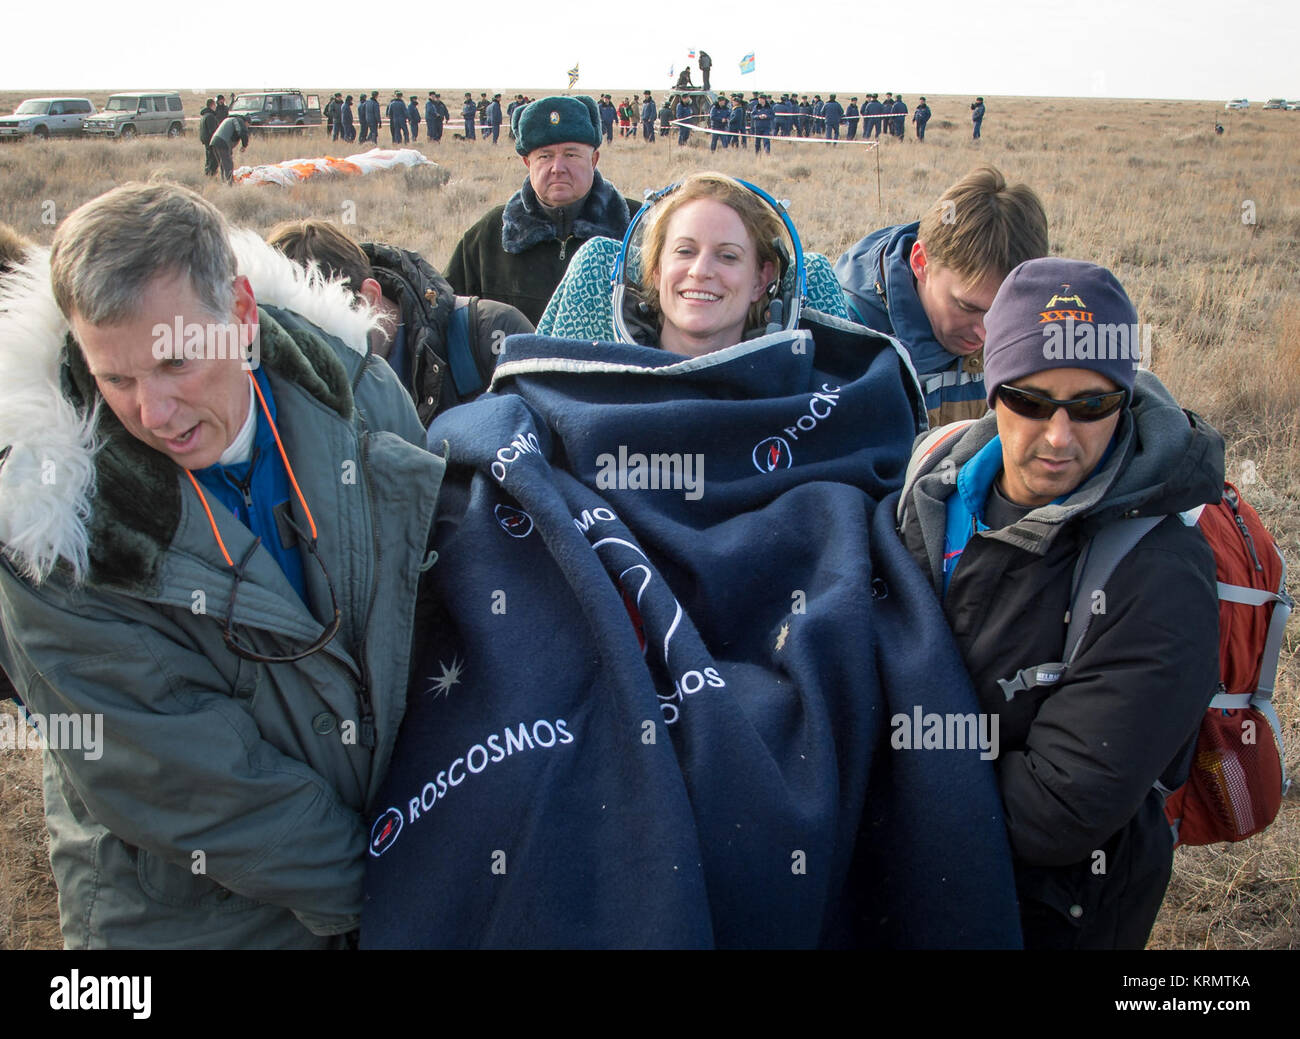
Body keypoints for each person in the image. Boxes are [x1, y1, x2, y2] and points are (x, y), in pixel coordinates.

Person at [360, 171, 1019, 950]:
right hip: (599, 604)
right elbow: (499, 459)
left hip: (772, 618)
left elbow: (852, 503)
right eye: (684, 250)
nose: (701, 272)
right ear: (651, 270)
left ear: (765, 278)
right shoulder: (573, 378)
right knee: (523, 755)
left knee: (793, 747)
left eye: (728, 257)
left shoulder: (821, 395)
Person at [0, 182, 442, 949]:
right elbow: (192, 786)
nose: (153, 412)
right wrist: (393, 892)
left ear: (241, 315)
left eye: (176, 361)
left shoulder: (365, 398)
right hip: (190, 923)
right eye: (117, 378)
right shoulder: (51, 539)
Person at [895, 257, 1223, 949]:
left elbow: (1056, 809)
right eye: (1032, 399)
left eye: (1093, 404)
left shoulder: (1158, 570)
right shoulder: (931, 480)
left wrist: (887, 782)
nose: (1059, 436)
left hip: (1055, 914)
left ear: (1125, 399)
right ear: (992, 387)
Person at [836, 165, 1048, 427]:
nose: (985, 333)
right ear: (921, 262)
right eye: (967, 306)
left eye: (1004, 312)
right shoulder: (847, 333)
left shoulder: (1037, 320)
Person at [266, 219, 533, 425]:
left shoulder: (493, 335)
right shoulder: (271, 377)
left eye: (318, 328)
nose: (307, 353)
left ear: (369, 297)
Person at [444, 94, 640, 326]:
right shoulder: (489, 236)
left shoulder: (637, 230)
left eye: (571, 154)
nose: (558, 168)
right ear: (528, 163)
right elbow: (448, 316)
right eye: (544, 156)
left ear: (593, 159)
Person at [209, 111, 249, 184]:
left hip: (214, 142)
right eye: (248, 124)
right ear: (246, 121)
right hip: (221, 142)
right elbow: (242, 132)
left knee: (223, 165)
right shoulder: (239, 121)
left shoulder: (229, 119)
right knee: (228, 165)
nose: (247, 126)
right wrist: (244, 145)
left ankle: (224, 182)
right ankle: (230, 184)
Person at [198, 98, 219, 177]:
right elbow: (212, 131)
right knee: (213, 160)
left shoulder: (204, 115)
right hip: (211, 141)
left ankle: (208, 174)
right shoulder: (210, 116)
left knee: (209, 158)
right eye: (215, 105)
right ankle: (211, 175)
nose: (216, 107)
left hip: (206, 141)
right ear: (212, 105)